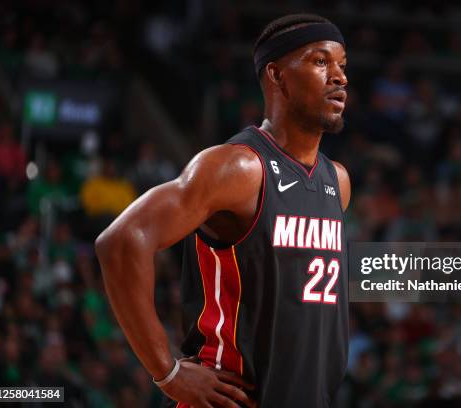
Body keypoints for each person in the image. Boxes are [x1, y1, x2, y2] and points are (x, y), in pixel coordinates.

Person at [95, 13, 351, 408]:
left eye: (342, 65)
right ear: (277, 75)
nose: (339, 77)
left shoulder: (338, 181)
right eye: (321, 62)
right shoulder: (239, 167)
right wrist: (168, 372)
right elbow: (121, 241)